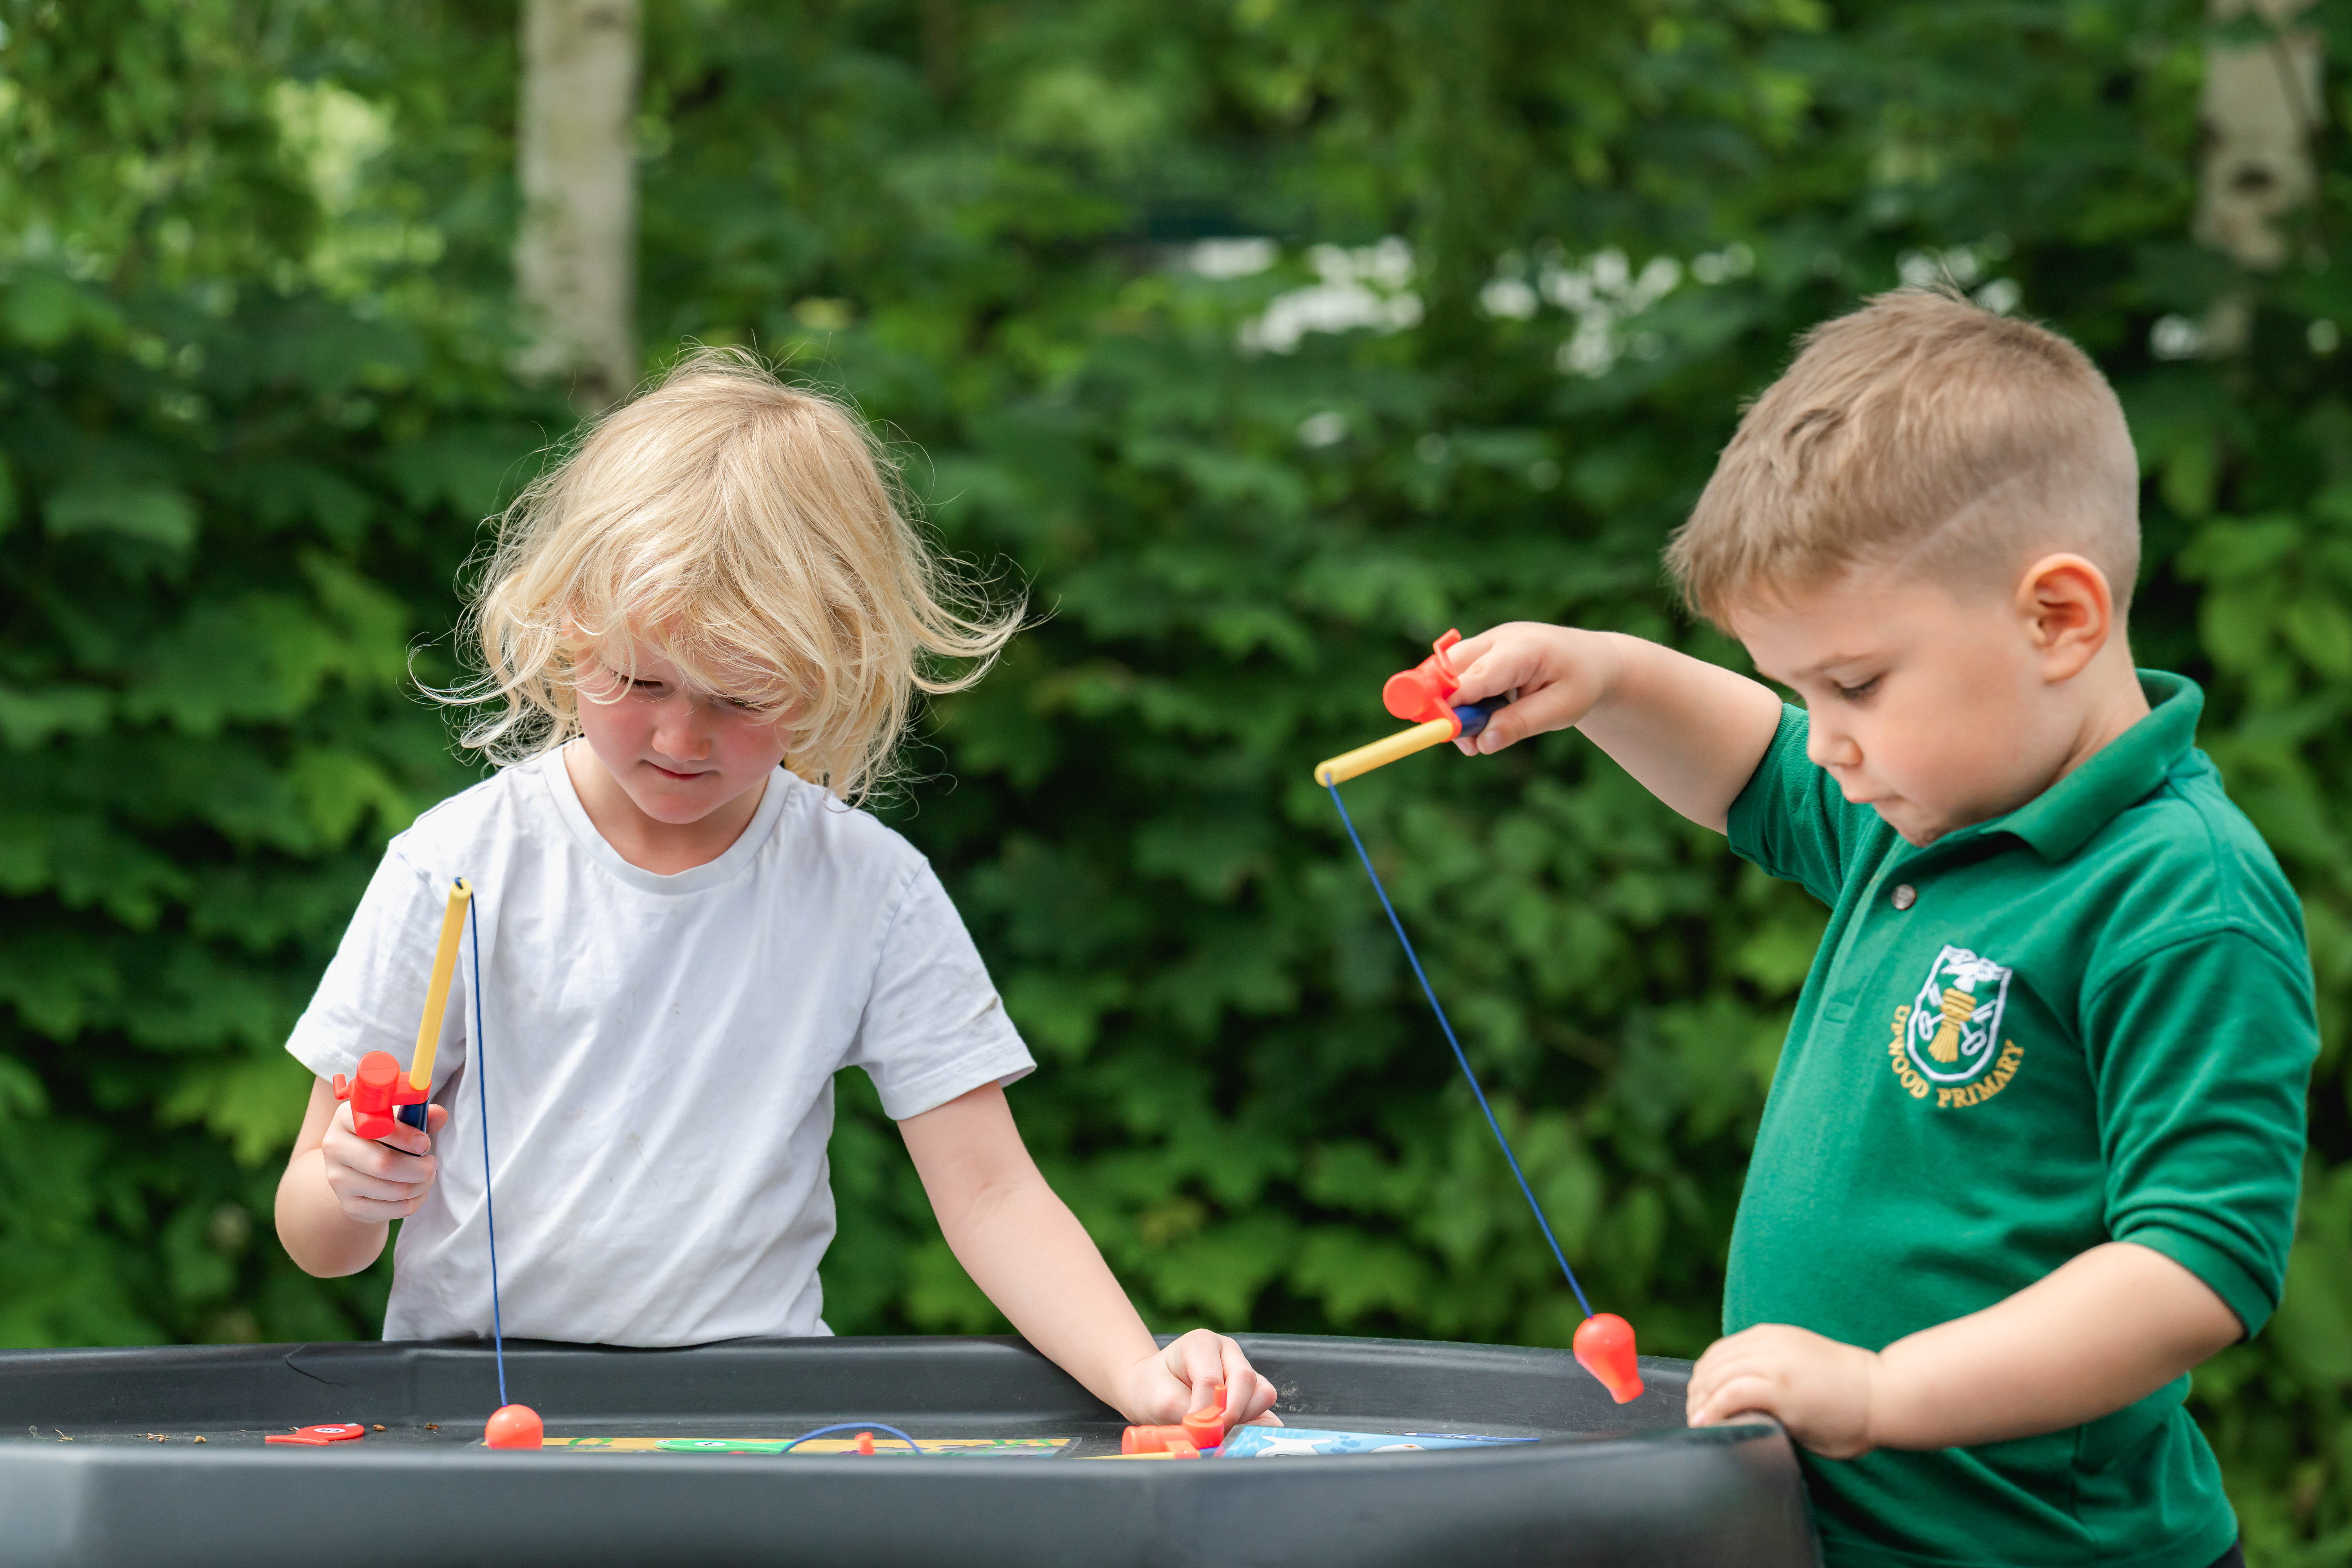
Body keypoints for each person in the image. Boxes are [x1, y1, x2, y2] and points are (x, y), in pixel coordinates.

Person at [1443, 288, 2310, 1567]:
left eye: (1852, 685)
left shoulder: (2180, 897)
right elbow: (1753, 762)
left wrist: (1882, 1392)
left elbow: (2196, 1269)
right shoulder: (1924, 808)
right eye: (1804, 689)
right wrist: (1609, 679)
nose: (1826, 741)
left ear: (2057, 619)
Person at [274, 348, 1278, 1429]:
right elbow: (319, 1238)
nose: (680, 738)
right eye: (640, 680)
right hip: (472, 1423)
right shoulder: (458, 863)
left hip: (754, 1426)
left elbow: (991, 1192)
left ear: (833, 670)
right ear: (568, 628)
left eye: (741, 699)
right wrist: (353, 1189)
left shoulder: (870, 890)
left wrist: (1139, 1376)